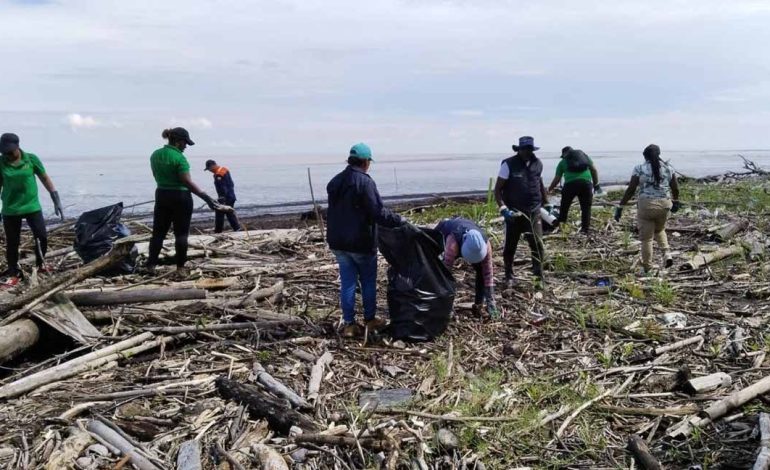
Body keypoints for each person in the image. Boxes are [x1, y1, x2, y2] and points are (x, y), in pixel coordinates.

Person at [326, 143, 408, 338]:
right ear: (365, 162)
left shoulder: (335, 182)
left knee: (347, 282)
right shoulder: (365, 182)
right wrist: (399, 221)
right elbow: (378, 212)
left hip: (338, 242)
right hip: (360, 242)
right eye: (369, 162)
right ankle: (370, 320)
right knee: (368, 281)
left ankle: (349, 324)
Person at [147, 128, 224, 278]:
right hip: (180, 197)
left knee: (158, 233)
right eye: (185, 143)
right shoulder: (179, 158)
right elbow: (187, 182)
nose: (185, 146)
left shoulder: (155, 155)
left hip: (161, 194)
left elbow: (157, 175)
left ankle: (151, 265)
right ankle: (180, 268)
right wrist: (206, 197)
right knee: (181, 234)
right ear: (178, 141)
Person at [0, 133, 64, 287]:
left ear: (18, 147)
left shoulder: (31, 159)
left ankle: (41, 265)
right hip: (11, 209)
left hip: (31, 206)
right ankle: (13, 272)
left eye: (10, 151)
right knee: (12, 242)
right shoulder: (1, 162)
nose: (7, 155)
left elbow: (44, 178)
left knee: (41, 236)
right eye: (4, 152)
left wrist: (55, 198)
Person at [614, 144, 681, 274]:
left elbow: (631, 189)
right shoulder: (668, 168)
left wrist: (621, 206)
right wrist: (676, 202)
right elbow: (675, 188)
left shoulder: (639, 168)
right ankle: (667, 254)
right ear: (659, 154)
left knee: (647, 239)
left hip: (646, 206)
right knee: (660, 229)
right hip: (664, 204)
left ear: (645, 156)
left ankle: (647, 267)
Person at [494, 136, 548, 286]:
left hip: (534, 210)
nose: (526, 152)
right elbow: (497, 190)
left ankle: (538, 277)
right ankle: (509, 276)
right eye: (523, 149)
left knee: (537, 244)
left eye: (529, 149)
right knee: (511, 245)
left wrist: (547, 202)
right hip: (514, 212)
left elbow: (540, 182)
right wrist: (503, 208)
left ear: (532, 149)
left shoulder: (538, 164)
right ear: (519, 149)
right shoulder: (508, 164)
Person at [435, 217, 499, 318]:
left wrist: (491, 301)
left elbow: (488, 273)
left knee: (481, 271)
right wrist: (446, 305)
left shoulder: (486, 245)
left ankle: (478, 305)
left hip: (465, 227)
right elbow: (444, 275)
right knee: (436, 269)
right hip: (444, 231)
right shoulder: (452, 244)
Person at [547, 146, 601, 233]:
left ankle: (562, 228)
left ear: (564, 155)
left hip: (570, 185)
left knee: (564, 207)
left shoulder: (562, 162)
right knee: (586, 208)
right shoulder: (585, 158)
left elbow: (557, 179)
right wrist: (596, 185)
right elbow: (594, 170)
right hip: (586, 184)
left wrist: (549, 189)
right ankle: (585, 229)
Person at [205, 159, 241, 233]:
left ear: (212, 166)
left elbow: (222, 187)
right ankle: (237, 228)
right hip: (231, 196)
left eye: (209, 169)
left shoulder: (219, 174)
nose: (209, 171)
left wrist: (222, 198)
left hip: (225, 197)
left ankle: (218, 231)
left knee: (219, 213)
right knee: (229, 213)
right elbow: (231, 184)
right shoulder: (224, 170)